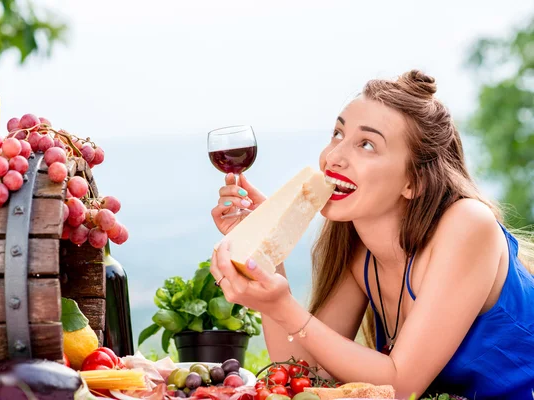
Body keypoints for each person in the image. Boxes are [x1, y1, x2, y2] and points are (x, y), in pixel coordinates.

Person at [209, 70, 534, 400]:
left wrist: (284, 308)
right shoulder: (361, 251)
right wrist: (267, 254)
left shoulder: (468, 224)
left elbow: (401, 384)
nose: (333, 157)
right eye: (338, 133)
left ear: (414, 181)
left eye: (367, 144)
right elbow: (304, 373)